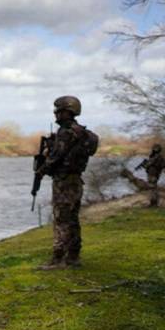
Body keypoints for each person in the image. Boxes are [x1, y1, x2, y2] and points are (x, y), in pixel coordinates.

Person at [36, 96, 98, 270]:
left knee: (62, 219)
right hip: (76, 180)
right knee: (72, 219)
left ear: (67, 111)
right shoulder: (81, 132)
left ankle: (58, 259)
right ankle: (73, 256)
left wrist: (41, 170)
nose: (55, 113)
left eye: (58, 110)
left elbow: (55, 159)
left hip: (64, 181)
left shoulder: (66, 132)